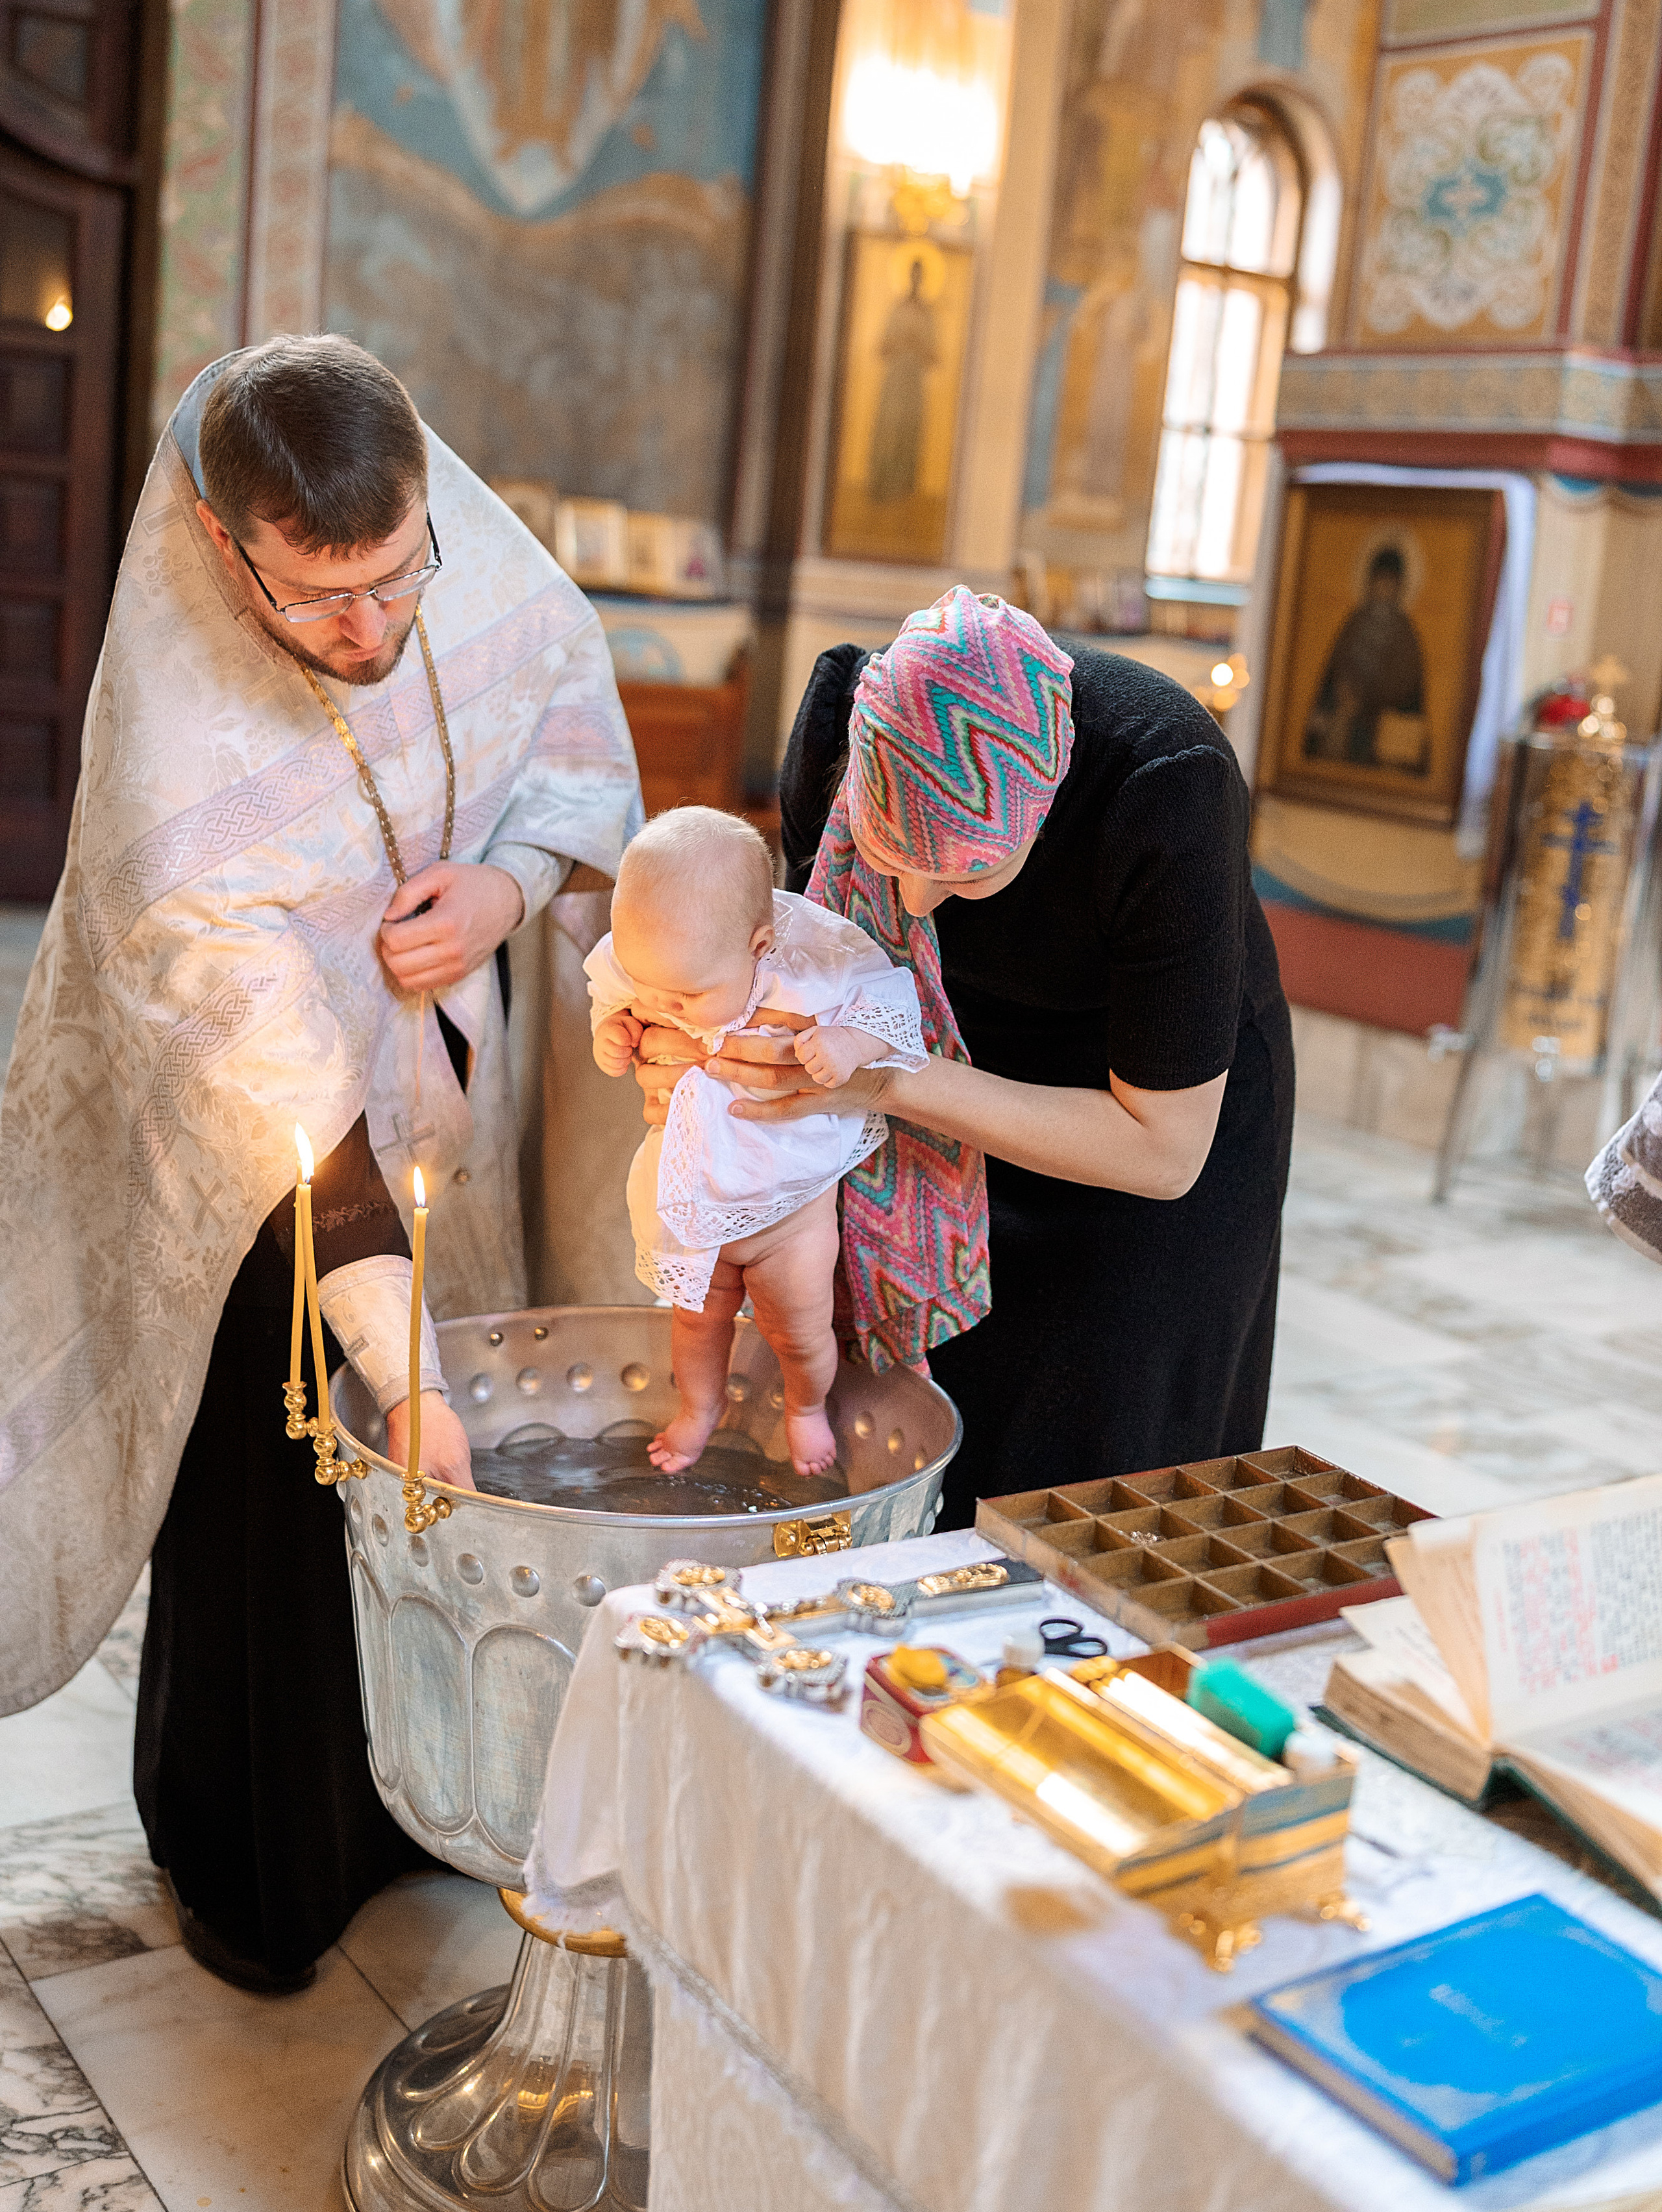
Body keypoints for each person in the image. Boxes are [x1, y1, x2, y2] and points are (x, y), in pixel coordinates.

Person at [0, 335, 639, 1990]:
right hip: (265, 1177)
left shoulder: (456, 555)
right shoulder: (175, 763)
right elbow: (277, 1081)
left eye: (394, 576)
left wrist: (501, 884)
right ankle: (259, 1866)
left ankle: (421, 1809)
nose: (373, 628)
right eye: (318, 599)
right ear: (227, 547)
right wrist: (397, 1363)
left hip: (449, 1106)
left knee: (437, 1480)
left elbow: (570, 731)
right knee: (288, 1498)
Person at [631, 589, 1294, 1528]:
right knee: (945, 1445)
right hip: (924, 1062)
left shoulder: (1165, 785)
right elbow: (787, 971)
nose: (914, 898)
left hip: (1144, 1129)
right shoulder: (841, 727)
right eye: (886, 849)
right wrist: (675, 1031)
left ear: (1044, 808)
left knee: (1092, 1482)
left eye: (966, 871)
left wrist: (896, 1081)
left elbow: (1164, 1153)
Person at [587, 807, 927, 1475]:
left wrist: (848, 1041)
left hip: (789, 1215)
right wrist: (614, 1031)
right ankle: (698, 1408)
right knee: (693, 1324)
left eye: (684, 994)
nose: (661, 1004)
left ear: (759, 945)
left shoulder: (813, 965)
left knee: (798, 1329)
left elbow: (892, 1002)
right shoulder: (653, 958)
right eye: (647, 985)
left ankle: (804, 1406)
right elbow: (612, 1000)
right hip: (693, 1208)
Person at [1302, 543, 1428, 770]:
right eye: (1380, 582)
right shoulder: (1355, 621)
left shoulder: (1405, 632)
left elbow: (1407, 683)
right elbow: (1333, 668)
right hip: (1343, 716)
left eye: (1390, 584)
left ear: (1400, 587)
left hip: (1382, 723)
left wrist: (1366, 699)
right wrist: (1338, 696)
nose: (1384, 589)